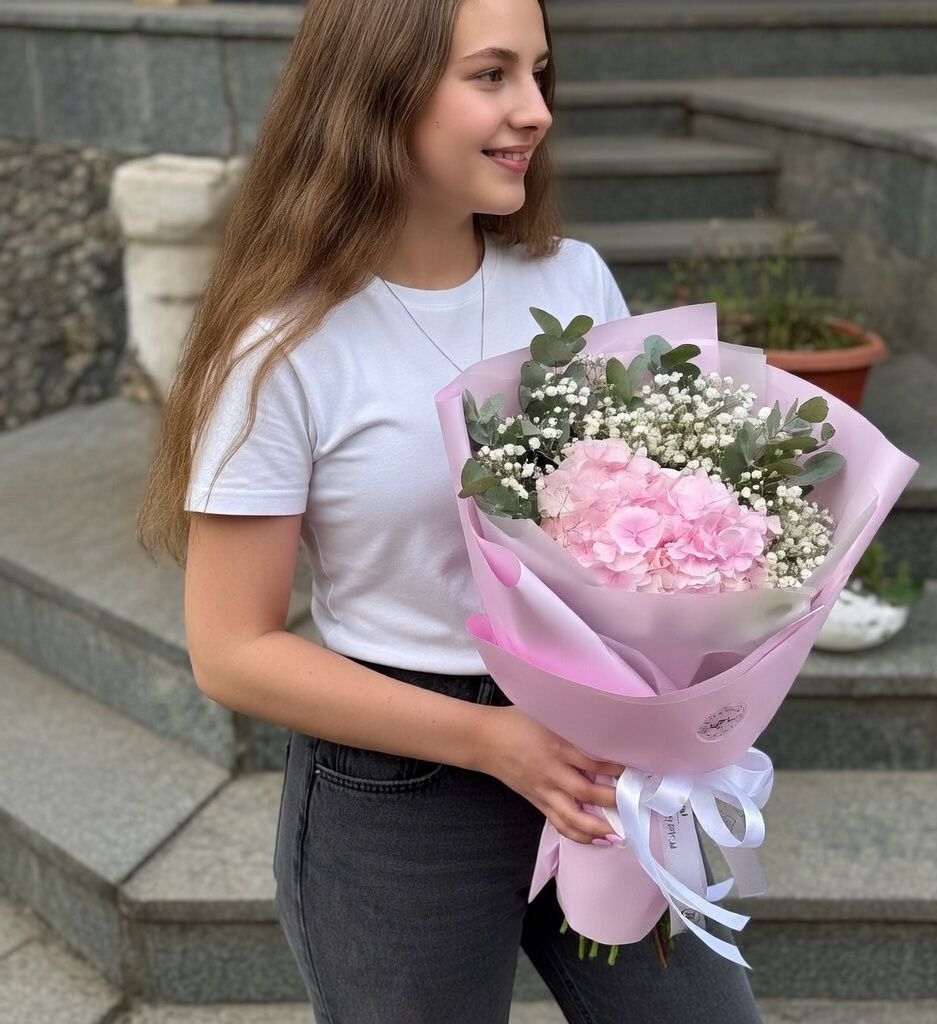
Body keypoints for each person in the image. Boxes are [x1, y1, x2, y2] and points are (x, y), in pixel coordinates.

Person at [135, 0, 764, 1020]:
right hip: (400, 788)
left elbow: (655, 521)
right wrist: (490, 741)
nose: (536, 109)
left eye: (539, 73)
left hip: (600, 757)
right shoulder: (281, 346)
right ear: (379, 91)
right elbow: (232, 650)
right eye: (491, 75)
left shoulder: (574, 278)